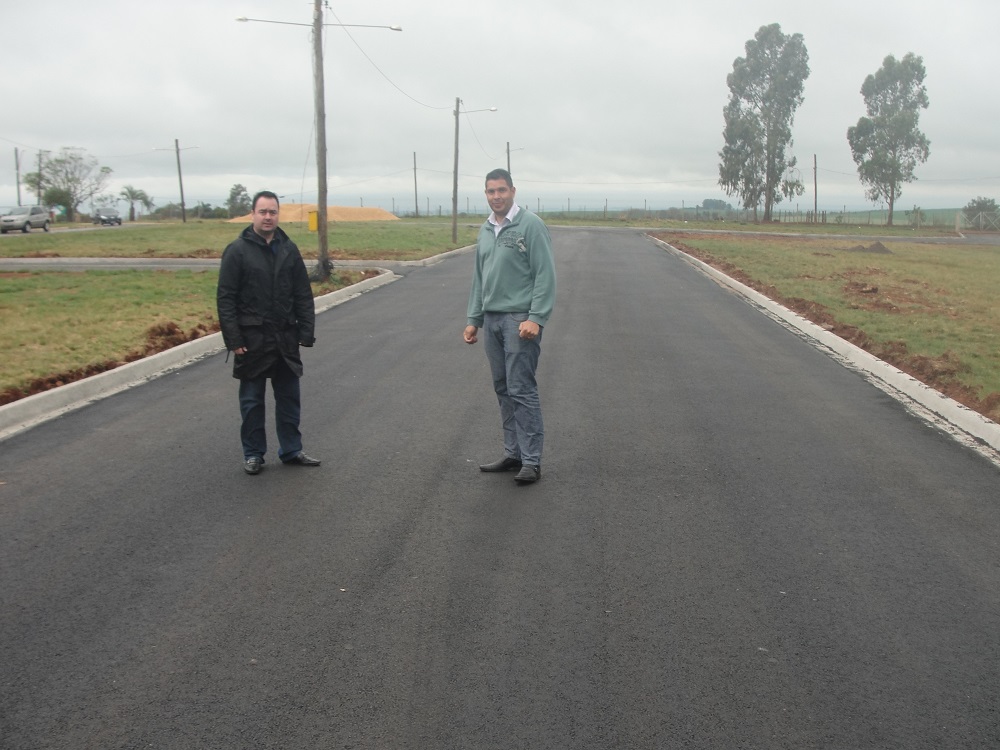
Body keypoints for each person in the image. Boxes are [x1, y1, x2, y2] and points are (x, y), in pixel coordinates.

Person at [217, 190, 321, 475]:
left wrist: (306, 331)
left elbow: (302, 293)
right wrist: (233, 339)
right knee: (252, 402)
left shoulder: (289, 249)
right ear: (253, 214)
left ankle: (291, 450)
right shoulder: (237, 251)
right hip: (252, 340)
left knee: (289, 398)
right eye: (262, 211)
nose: (267, 217)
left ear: (278, 214)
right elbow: (226, 298)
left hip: (285, 338)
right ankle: (253, 454)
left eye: (272, 212)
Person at [464, 168, 556, 484]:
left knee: (521, 389)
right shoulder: (486, 229)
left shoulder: (530, 225)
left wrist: (536, 317)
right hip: (491, 319)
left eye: (502, 190)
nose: (496, 196)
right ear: (486, 194)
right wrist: (474, 319)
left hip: (519, 320)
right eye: (491, 191)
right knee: (503, 388)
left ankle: (531, 461)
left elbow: (545, 274)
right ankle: (513, 453)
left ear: (513, 191)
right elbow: (480, 277)